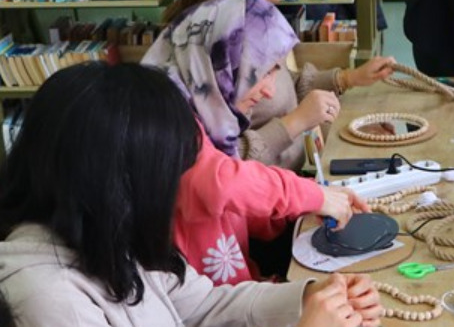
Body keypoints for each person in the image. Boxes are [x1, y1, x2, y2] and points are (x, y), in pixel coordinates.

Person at [0, 62, 381, 327]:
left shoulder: (104, 236)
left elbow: (205, 304)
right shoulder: (49, 300)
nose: (172, 189)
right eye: (168, 174)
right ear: (120, 184)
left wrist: (310, 296)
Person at [144, 0, 371, 285]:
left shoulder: (205, 111)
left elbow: (240, 209)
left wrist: (303, 206)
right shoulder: (164, 124)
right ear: (224, 63)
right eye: (262, 73)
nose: (269, 91)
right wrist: (313, 196)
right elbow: (222, 186)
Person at [168, 0, 395, 170]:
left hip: (282, 189)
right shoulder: (215, 42)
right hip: (258, 205)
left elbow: (280, 93)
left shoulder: (251, 19)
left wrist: (347, 79)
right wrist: (296, 122)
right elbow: (220, 166)